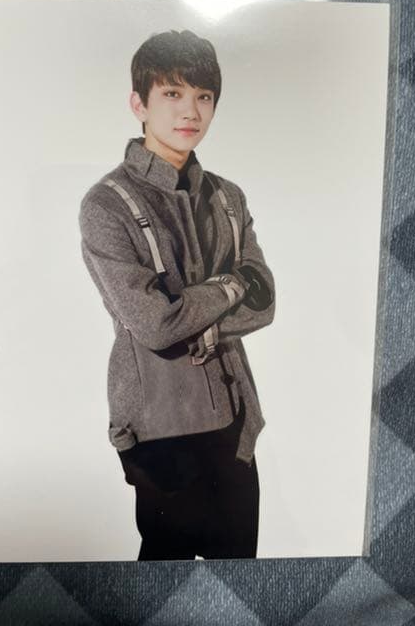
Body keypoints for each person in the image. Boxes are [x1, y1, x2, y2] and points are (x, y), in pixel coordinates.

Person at [79, 29, 275, 560]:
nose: (190, 111)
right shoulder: (106, 204)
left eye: (203, 96)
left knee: (239, 582)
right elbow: (155, 324)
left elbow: (265, 302)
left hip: (234, 420)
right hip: (159, 428)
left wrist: (196, 312)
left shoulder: (228, 197)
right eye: (172, 93)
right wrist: (231, 284)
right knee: (164, 585)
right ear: (138, 104)